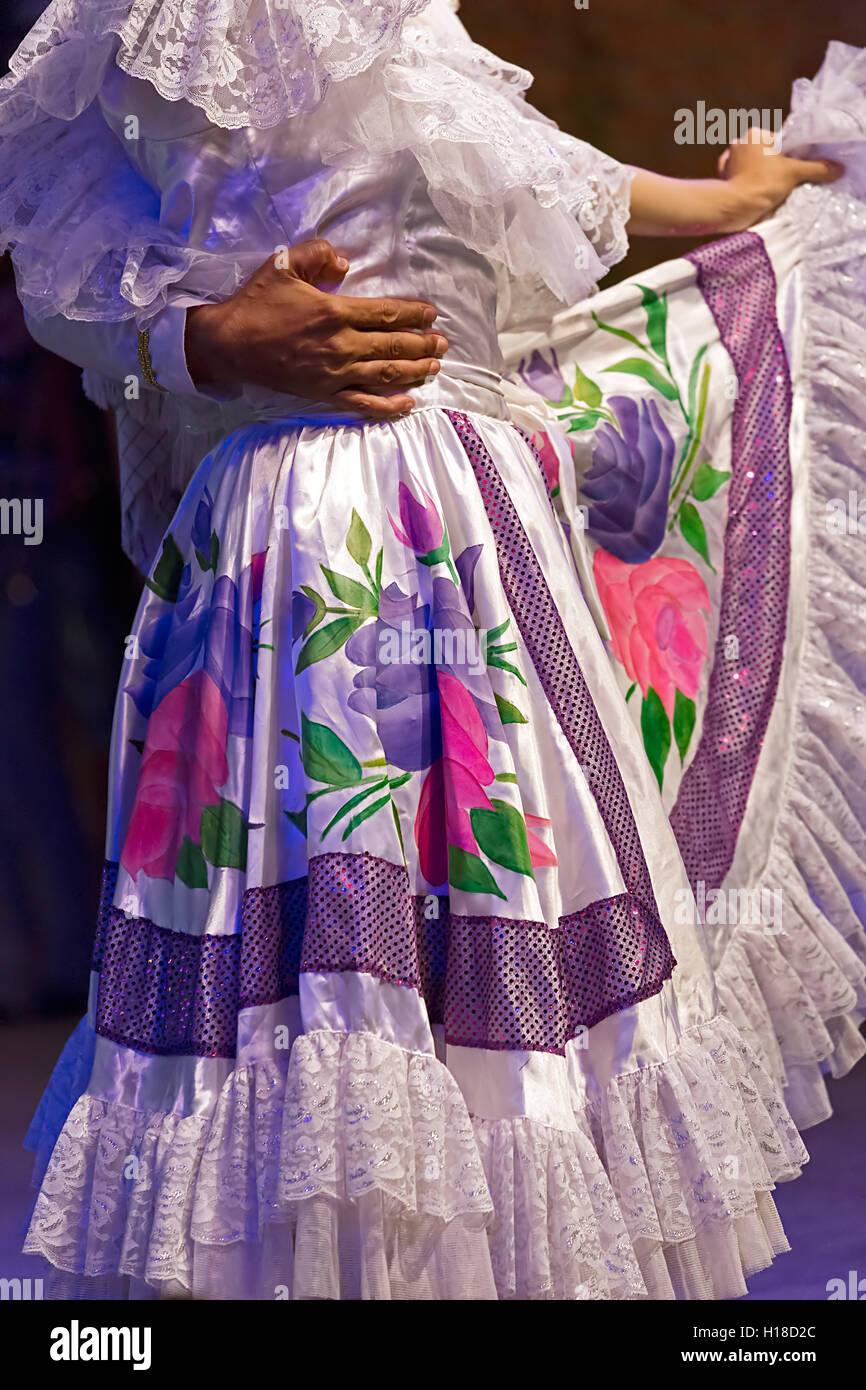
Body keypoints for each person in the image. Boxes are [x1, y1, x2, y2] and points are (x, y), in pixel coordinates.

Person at [1, 0, 841, 1301]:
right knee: (380, 929)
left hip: (373, 527)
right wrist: (207, 338)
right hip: (354, 508)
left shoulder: (344, 27)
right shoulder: (182, 20)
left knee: (404, 932)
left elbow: (516, 171)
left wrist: (724, 196)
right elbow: (75, 266)